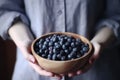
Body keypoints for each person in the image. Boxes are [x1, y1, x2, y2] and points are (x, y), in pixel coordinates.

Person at [0, 0, 120, 80]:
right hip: (31, 72)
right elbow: (5, 10)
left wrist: (99, 43)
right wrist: (24, 41)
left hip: (98, 71)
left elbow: (116, 14)